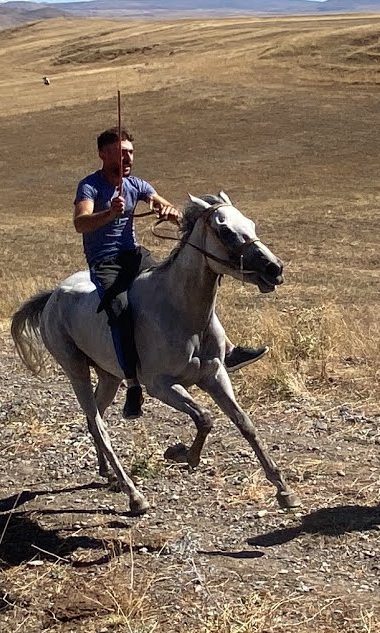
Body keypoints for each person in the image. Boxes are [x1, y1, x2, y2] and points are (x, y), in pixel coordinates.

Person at [73, 126, 268, 419]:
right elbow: (81, 223)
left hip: (134, 256)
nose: (127, 158)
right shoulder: (90, 186)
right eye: (120, 152)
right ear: (103, 154)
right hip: (105, 263)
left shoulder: (136, 184)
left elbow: (165, 206)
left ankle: (227, 350)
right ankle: (133, 382)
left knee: (181, 291)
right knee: (120, 309)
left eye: (130, 152)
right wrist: (109, 213)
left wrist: (168, 212)